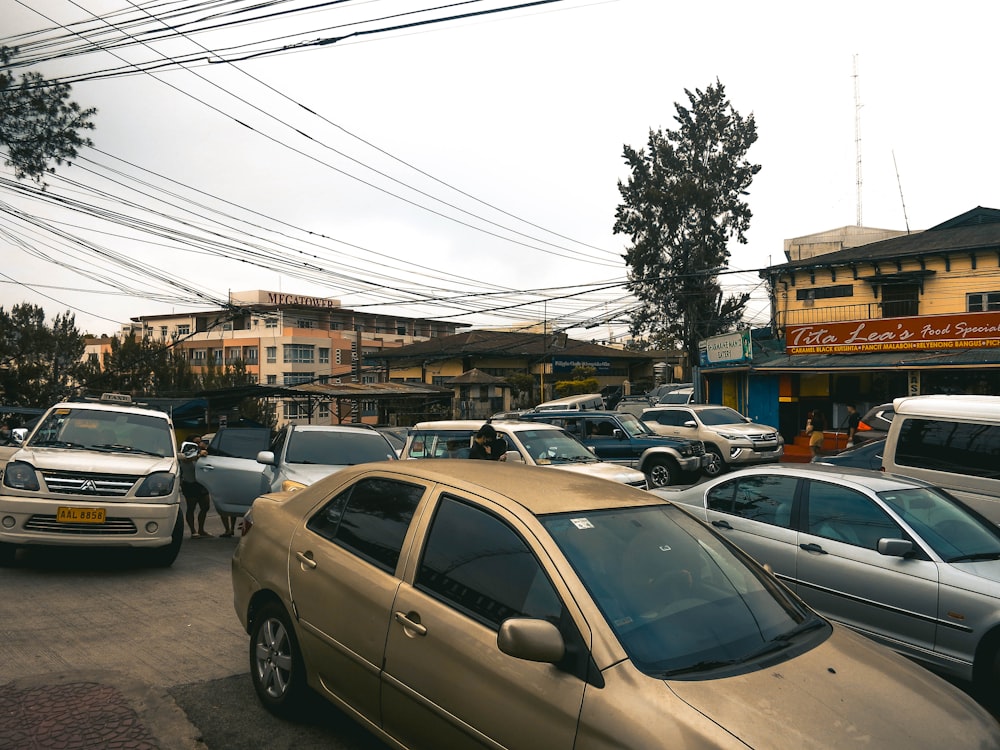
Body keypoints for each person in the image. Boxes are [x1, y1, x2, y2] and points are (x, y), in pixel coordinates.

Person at [179, 434, 213, 538]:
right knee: (191, 507)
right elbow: (185, 459)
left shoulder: (202, 452)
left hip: (201, 483)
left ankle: (201, 529)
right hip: (190, 483)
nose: (199, 444)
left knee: (205, 506)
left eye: (200, 442)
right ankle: (193, 531)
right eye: (196, 442)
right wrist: (198, 455)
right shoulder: (184, 453)